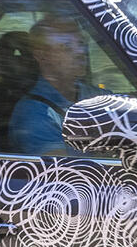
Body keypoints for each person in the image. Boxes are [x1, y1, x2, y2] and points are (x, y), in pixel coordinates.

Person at [9, 14, 91, 156]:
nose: (81, 52)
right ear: (42, 56)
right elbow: (61, 168)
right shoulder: (34, 114)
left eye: (81, 44)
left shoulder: (94, 94)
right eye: (67, 46)